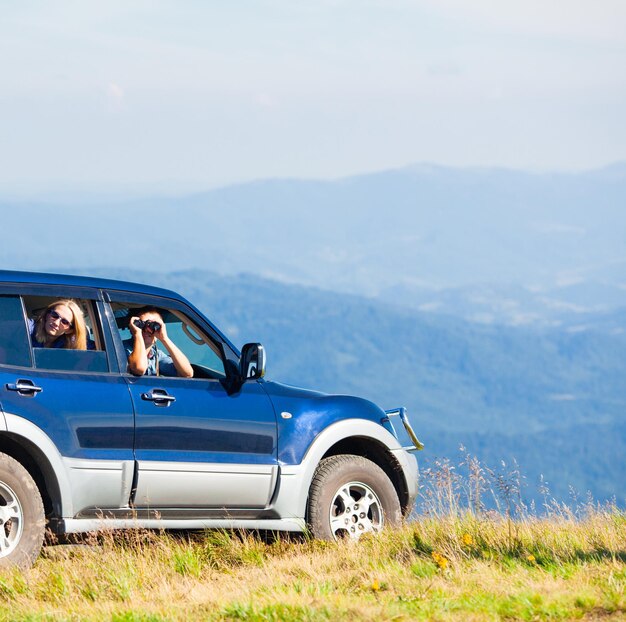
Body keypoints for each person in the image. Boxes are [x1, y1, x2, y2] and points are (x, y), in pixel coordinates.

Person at [125, 307, 193, 378]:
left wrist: (164, 338)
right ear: (133, 327)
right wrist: (137, 334)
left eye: (154, 325)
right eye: (142, 325)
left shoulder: (156, 354)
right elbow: (139, 368)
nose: (148, 329)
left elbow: (187, 373)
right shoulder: (120, 348)